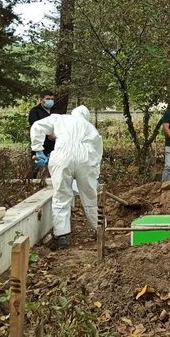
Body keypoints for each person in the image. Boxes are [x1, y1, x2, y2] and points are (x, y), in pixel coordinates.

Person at [30, 105, 102, 249]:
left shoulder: (59, 118)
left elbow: (37, 126)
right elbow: (98, 153)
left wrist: (38, 150)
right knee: (90, 195)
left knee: (61, 195)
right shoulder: (91, 128)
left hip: (62, 156)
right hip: (86, 158)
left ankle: (62, 236)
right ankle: (99, 230)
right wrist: (95, 174)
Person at [28, 90, 58, 157]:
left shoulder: (56, 110)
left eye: (52, 99)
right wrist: (49, 135)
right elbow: (35, 127)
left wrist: (55, 135)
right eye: (47, 99)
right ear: (41, 99)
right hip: (41, 145)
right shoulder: (35, 111)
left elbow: (61, 124)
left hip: (55, 145)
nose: (50, 101)